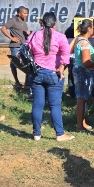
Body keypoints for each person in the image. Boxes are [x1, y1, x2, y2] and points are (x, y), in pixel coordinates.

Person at [26, 12, 74, 142]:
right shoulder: (60, 37)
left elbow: (25, 50)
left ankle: (36, 134)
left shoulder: (34, 35)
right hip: (54, 74)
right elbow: (66, 53)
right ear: (55, 23)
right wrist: (61, 68)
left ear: (42, 22)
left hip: (36, 73)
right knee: (54, 105)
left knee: (37, 104)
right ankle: (60, 134)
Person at [72, 19, 94, 132]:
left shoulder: (80, 40)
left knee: (82, 98)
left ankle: (82, 122)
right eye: (92, 27)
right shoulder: (84, 43)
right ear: (89, 29)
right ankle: (79, 126)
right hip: (83, 72)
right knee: (81, 99)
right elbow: (86, 62)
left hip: (81, 71)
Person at [1, 6, 30, 90]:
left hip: (24, 46)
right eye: (24, 13)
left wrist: (28, 33)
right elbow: (3, 28)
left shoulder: (23, 21)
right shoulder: (13, 20)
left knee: (28, 62)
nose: (26, 15)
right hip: (16, 46)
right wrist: (11, 38)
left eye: (26, 13)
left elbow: (25, 31)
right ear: (19, 13)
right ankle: (17, 82)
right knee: (15, 63)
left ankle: (27, 83)